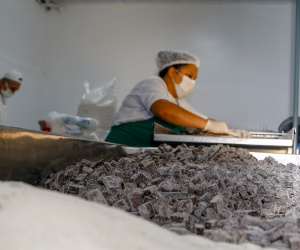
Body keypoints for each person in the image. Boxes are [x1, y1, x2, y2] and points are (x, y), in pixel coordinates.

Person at [105, 50, 242, 147]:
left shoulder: (177, 101)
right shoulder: (152, 83)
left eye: (195, 78)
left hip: (141, 156)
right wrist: (209, 125)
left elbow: (202, 120)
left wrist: (231, 132)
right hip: (119, 151)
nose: (192, 82)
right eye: (189, 76)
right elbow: (164, 111)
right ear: (172, 72)